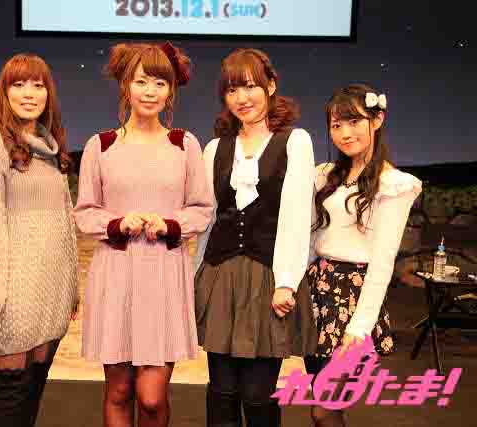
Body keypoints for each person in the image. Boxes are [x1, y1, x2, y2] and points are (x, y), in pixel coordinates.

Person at [73, 42, 213, 427]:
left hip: (163, 274)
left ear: (171, 91)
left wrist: (170, 224)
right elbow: (85, 211)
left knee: (151, 398)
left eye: (159, 83)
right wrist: (118, 224)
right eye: (141, 82)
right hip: (116, 274)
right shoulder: (101, 145)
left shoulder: (183, 144)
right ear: (125, 86)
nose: (150, 91)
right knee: (118, 391)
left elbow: (202, 208)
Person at [194, 48, 318, 427]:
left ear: (271, 86)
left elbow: (297, 216)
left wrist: (287, 282)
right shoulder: (215, 148)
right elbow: (208, 220)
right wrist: (195, 277)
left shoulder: (295, 141)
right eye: (232, 90)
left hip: (268, 276)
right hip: (220, 275)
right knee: (221, 389)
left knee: (257, 393)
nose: (241, 98)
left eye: (249, 87)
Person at [0, 53, 78, 427]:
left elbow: (64, 224)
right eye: (19, 84)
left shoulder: (50, 149)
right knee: (13, 389)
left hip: (51, 287)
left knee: (33, 387)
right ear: (5, 92)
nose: (29, 93)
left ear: (48, 93)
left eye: (37, 85)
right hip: (14, 289)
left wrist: (71, 287)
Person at [305, 83, 422, 426]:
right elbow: (311, 239)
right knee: (324, 403)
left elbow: (383, 261)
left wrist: (359, 329)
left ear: (378, 119)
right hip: (317, 293)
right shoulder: (325, 176)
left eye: (354, 121)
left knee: (324, 407)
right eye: (336, 125)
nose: (345, 133)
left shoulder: (393, 184)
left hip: (355, 297)